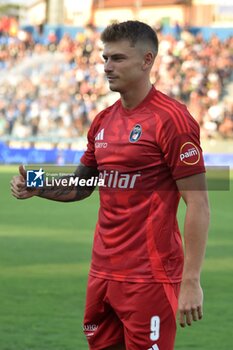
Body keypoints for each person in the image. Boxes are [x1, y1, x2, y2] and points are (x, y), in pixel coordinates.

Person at [11, 21, 210, 350]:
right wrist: (37, 183)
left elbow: (199, 204)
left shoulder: (172, 119)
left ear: (147, 61)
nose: (106, 67)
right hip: (102, 273)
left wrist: (191, 280)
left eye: (117, 58)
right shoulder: (103, 120)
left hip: (150, 277)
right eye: (105, 58)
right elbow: (81, 184)